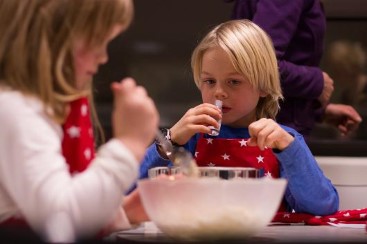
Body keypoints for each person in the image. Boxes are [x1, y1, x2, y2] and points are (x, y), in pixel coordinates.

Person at [138, 20, 339, 216]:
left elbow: (323, 207)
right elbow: (127, 194)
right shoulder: (190, 138)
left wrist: (290, 149)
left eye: (233, 81)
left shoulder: (282, 140)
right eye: (209, 81)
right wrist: (170, 141)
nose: (219, 92)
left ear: (263, 87)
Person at [0, 0, 157, 242]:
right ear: (53, 33)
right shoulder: (15, 110)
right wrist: (129, 144)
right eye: (98, 41)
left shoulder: (34, 108)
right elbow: (59, 221)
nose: (104, 57)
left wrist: (122, 211)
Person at [229, 0, 362, 138]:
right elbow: (258, 63)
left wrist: (316, 111)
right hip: (273, 132)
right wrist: (317, 82)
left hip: (268, 126)